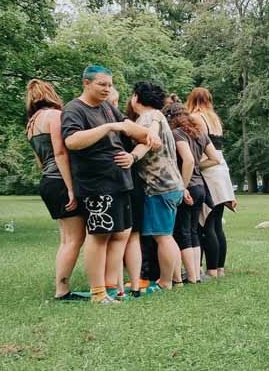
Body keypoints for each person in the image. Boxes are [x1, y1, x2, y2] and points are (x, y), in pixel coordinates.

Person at [62, 65, 161, 305]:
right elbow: (72, 141)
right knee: (99, 235)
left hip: (119, 181)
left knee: (120, 234)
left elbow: (127, 126)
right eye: (102, 84)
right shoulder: (74, 110)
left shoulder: (106, 107)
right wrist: (108, 127)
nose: (107, 89)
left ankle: (109, 289)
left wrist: (149, 135)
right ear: (86, 83)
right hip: (97, 183)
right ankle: (97, 294)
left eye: (109, 84)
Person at [25, 79, 86, 301]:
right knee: (75, 239)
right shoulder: (54, 116)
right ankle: (62, 290)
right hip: (61, 180)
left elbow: (40, 160)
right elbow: (61, 153)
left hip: (47, 181)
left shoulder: (31, 124)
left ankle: (61, 287)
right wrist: (71, 188)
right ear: (50, 94)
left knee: (66, 239)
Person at [126, 82, 186, 293]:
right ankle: (176, 280)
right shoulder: (158, 115)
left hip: (160, 186)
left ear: (136, 97)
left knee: (163, 236)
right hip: (172, 184)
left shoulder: (148, 118)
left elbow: (149, 139)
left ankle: (166, 282)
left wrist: (132, 157)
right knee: (167, 235)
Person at [186, 87, 236, 278]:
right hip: (222, 171)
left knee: (206, 223)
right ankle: (219, 268)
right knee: (216, 223)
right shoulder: (214, 118)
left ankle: (211, 269)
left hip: (209, 169)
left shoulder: (196, 118)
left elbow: (200, 146)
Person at [167, 102, 214, 286]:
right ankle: (196, 273)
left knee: (183, 232)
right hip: (200, 186)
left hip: (188, 187)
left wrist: (182, 186)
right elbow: (215, 158)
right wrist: (197, 167)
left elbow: (187, 159)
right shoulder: (200, 134)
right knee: (194, 230)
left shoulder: (177, 134)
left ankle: (192, 276)